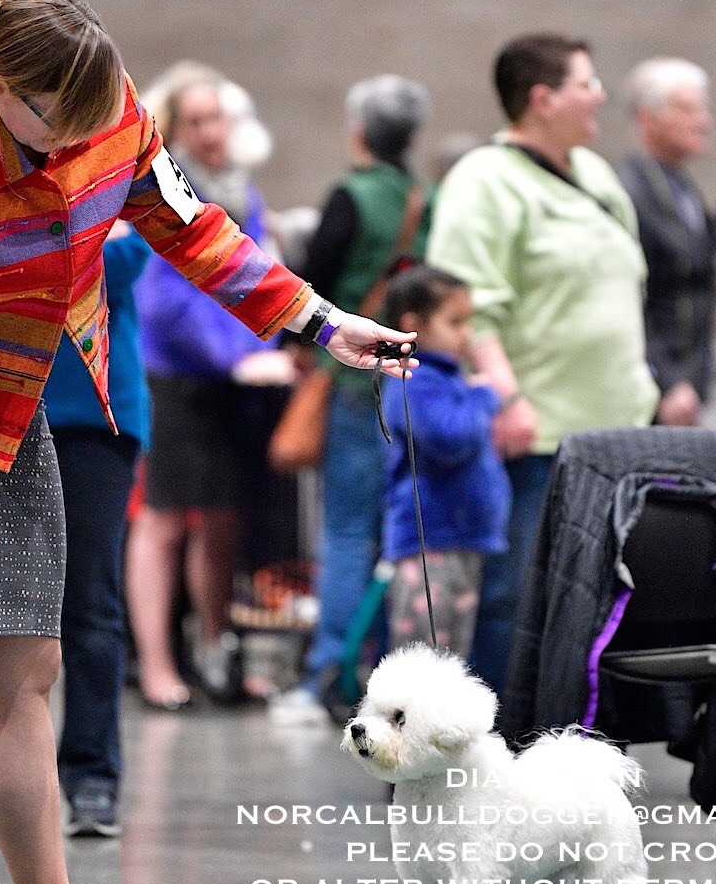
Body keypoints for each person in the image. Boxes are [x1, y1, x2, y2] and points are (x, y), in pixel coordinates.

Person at [0, 0, 415, 884]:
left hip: (18, 419)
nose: (91, 135)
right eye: (65, 119)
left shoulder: (109, 112)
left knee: (29, 665)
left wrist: (319, 322)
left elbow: (199, 231)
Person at [428, 32, 658, 692]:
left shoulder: (598, 176)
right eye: (587, 84)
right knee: (518, 599)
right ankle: (500, 747)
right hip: (539, 434)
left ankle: (577, 740)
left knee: (606, 603)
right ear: (542, 99)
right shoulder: (485, 181)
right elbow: (470, 305)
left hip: (620, 430)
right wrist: (506, 398)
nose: (601, 97)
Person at [0, 219, 151, 840]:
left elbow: (115, 272)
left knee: (91, 605)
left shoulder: (119, 178)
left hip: (96, 417)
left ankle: (92, 778)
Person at [126, 63, 294, 709]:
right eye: (195, 121)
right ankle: (157, 666)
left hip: (230, 380)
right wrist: (234, 357)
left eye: (216, 117)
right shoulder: (166, 189)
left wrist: (265, 348)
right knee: (164, 521)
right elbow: (169, 300)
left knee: (223, 522)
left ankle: (215, 651)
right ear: (175, 130)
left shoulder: (242, 188)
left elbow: (257, 274)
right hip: (173, 377)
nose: (209, 131)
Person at [269, 75, 431, 726]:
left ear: (358, 130)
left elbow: (315, 283)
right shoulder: (427, 198)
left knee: (345, 532)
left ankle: (327, 677)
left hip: (352, 386)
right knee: (397, 536)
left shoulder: (352, 196)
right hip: (410, 380)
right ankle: (390, 678)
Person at [379, 265, 511, 657]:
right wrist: (484, 397)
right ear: (412, 325)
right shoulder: (413, 380)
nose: (466, 334)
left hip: (461, 537)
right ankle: (408, 720)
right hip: (430, 541)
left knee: (453, 654)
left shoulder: (447, 378)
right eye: (455, 322)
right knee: (421, 654)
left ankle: (440, 721)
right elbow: (449, 439)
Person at [616, 58, 716, 426]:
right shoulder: (629, 188)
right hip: (655, 388)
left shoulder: (681, 185)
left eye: (703, 109)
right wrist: (667, 380)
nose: (703, 121)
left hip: (687, 385)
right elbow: (628, 296)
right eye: (688, 110)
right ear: (647, 118)